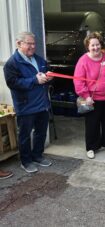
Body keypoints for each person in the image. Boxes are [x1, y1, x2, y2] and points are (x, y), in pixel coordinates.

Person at [3, 31, 53, 173]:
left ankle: (37, 155)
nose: (32, 46)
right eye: (29, 43)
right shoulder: (12, 64)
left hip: (42, 104)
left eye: (33, 43)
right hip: (26, 106)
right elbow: (12, 83)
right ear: (19, 44)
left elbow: (47, 73)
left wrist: (49, 77)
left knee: (41, 132)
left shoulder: (39, 60)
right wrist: (34, 80)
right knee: (24, 135)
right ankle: (26, 161)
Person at [74, 32, 105, 159]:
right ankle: (91, 147)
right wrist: (86, 96)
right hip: (92, 99)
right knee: (92, 124)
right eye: (92, 45)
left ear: (101, 45)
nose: (95, 48)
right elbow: (78, 81)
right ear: (88, 47)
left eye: (98, 44)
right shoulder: (83, 61)